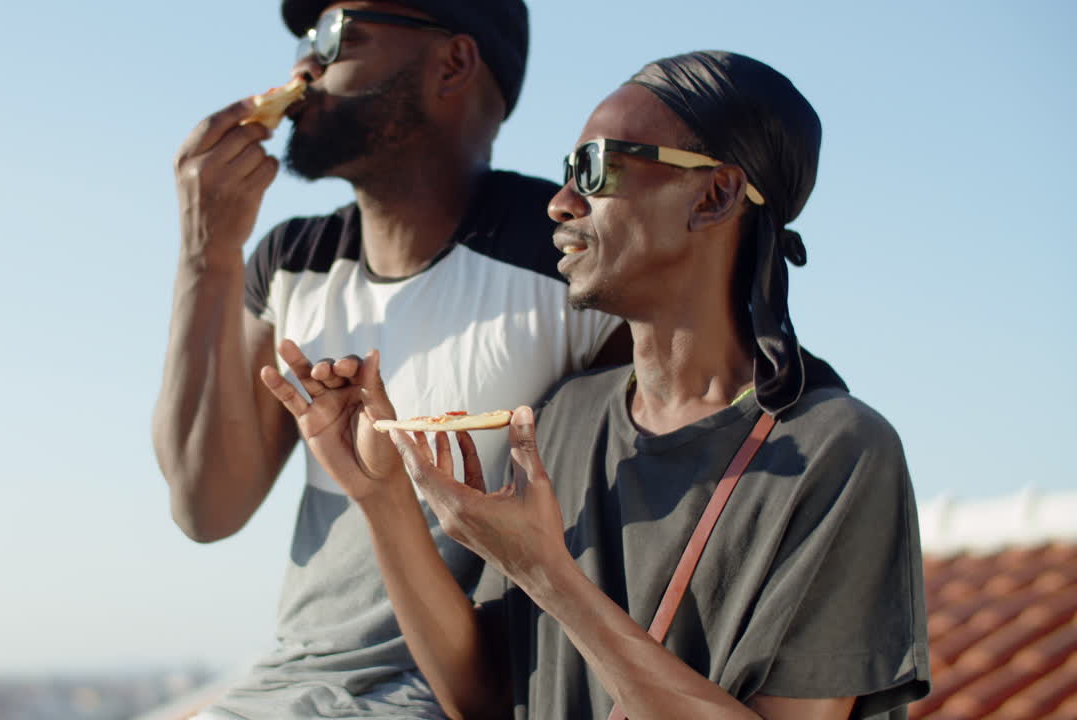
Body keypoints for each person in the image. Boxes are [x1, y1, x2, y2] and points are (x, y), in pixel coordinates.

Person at [261, 51, 931, 719]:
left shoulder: (838, 452)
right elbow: (484, 699)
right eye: (565, 173)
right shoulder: (565, 419)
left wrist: (547, 574)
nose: (560, 203)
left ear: (716, 194)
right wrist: (381, 496)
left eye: (595, 169)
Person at [151, 0, 629, 716]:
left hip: (458, 695)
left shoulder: (570, 260)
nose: (304, 64)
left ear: (453, 63)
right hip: (289, 684)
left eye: (336, 33)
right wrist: (205, 254)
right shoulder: (292, 263)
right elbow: (205, 505)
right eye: (304, 38)